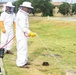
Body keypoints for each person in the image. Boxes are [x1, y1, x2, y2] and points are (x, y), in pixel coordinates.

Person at [15, 1, 36, 68]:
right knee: (22, 48)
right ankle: (20, 63)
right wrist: (30, 32)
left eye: (29, 8)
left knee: (25, 48)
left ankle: (24, 61)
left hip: (23, 34)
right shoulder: (21, 15)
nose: (29, 10)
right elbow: (23, 27)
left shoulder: (23, 14)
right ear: (24, 8)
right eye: (27, 8)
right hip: (21, 34)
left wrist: (28, 33)